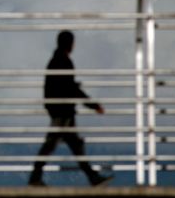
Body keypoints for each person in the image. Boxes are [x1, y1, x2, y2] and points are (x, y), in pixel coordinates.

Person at [29, 30, 114, 187]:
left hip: (61, 111)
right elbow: (70, 89)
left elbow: (60, 87)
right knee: (54, 145)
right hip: (63, 113)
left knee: (73, 146)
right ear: (70, 44)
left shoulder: (55, 61)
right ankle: (35, 177)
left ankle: (92, 177)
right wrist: (93, 105)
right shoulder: (63, 62)